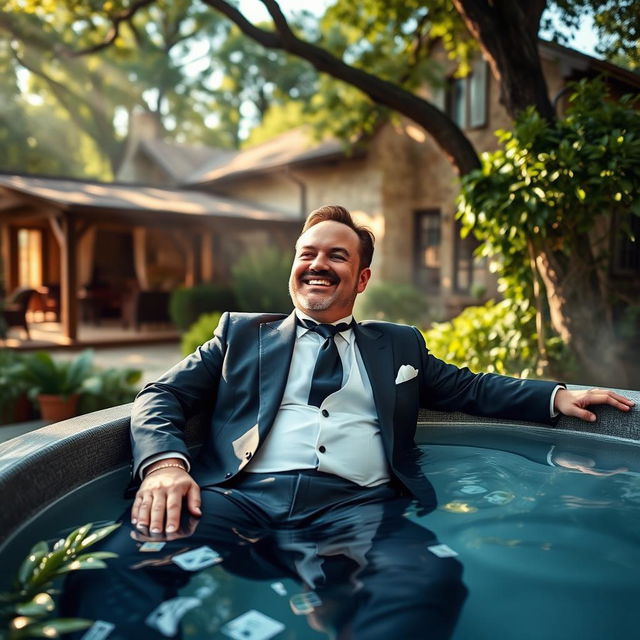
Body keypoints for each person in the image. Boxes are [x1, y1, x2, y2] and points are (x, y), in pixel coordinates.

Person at [64, 205, 634, 640]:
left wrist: (558, 396)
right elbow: (161, 393)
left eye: (337, 256)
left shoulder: (398, 346)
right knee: (118, 564)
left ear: (361, 279)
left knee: (426, 581)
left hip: (358, 507)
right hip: (237, 499)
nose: (317, 264)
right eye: (307, 253)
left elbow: (474, 389)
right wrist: (166, 465)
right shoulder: (240, 335)